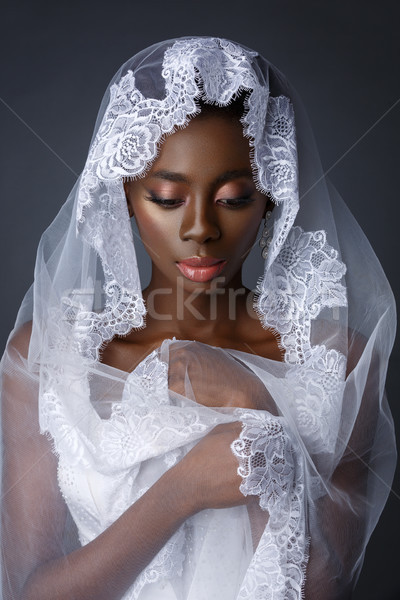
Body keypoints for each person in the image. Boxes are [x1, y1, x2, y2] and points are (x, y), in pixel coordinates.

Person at [0, 36, 396, 600]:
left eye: (234, 199)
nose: (201, 229)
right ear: (126, 195)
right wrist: (179, 492)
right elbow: (28, 592)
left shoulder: (341, 364)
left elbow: (320, 592)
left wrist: (256, 410)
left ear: (271, 202)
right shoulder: (44, 356)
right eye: (167, 197)